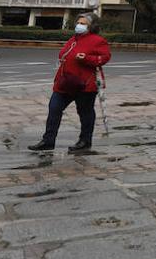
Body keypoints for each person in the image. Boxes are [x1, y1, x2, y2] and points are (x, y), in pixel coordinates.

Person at [28, 12, 111, 154]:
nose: (80, 25)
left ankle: (85, 141)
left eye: (84, 23)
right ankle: (48, 141)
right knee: (54, 108)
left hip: (85, 84)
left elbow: (104, 58)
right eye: (79, 22)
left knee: (85, 112)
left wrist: (86, 58)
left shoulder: (98, 40)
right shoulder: (73, 39)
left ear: (92, 26)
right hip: (65, 82)